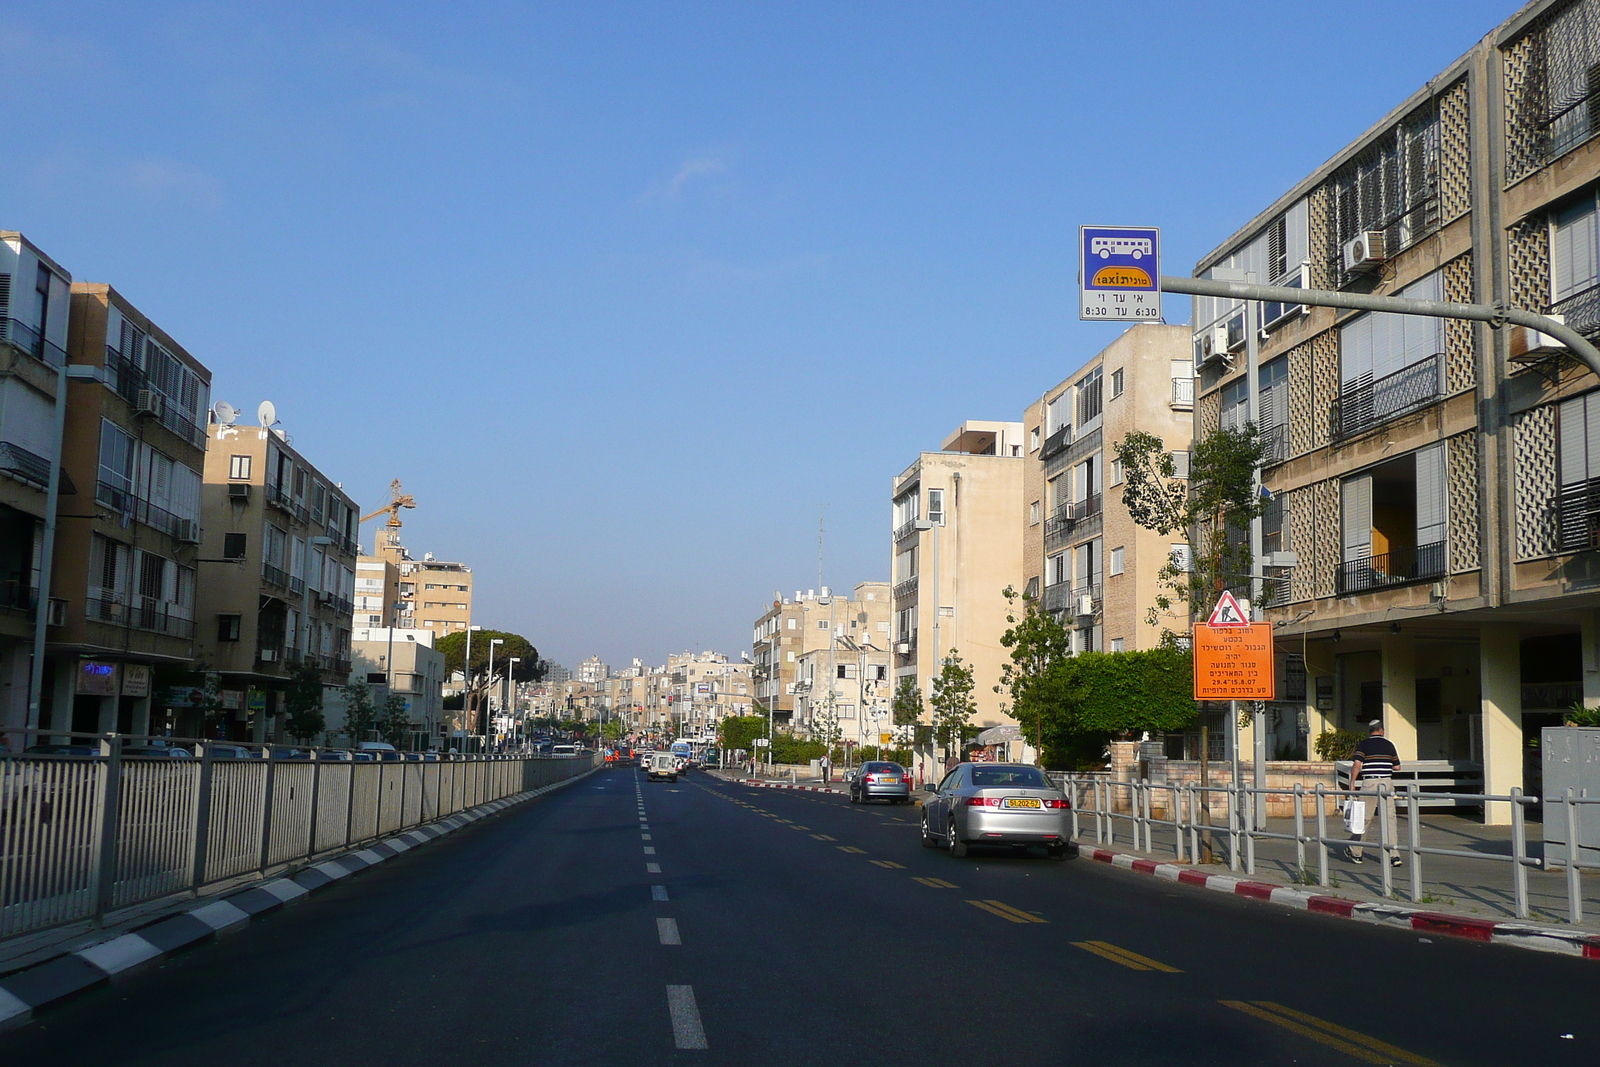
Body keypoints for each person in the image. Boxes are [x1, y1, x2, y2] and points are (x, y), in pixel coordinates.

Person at [1345, 719, 1402, 866]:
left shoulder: (1364, 744)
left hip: (1369, 782)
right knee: (1390, 819)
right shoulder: (1389, 745)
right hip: (1386, 783)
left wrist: (1352, 783)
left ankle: (1356, 851)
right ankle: (1393, 855)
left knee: (1364, 818)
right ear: (1381, 730)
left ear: (1370, 731)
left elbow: (1357, 764)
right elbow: (1397, 767)